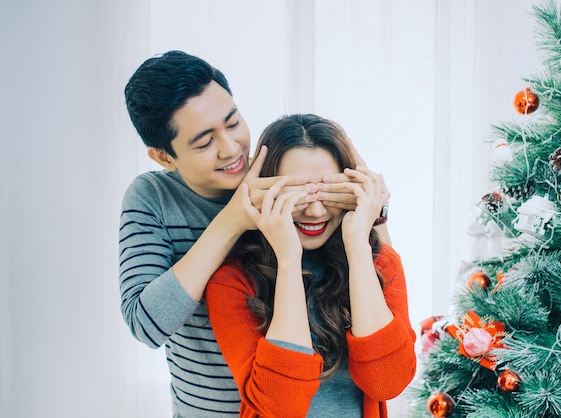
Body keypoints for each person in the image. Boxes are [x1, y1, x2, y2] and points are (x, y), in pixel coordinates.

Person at [120, 51, 391, 417]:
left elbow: (379, 280)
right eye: (204, 143)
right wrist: (234, 219)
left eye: (233, 123)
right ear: (163, 157)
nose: (231, 149)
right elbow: (147, 323)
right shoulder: (152, 197)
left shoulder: (278, 174)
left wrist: (373, 211)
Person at [206, 114, 416, 418]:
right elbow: (280, 408)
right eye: (298, 193)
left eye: (328, 192)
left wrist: (357, 244)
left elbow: (388, 382)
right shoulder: (232, 281)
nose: (316, 211)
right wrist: (288, 260)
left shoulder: (382, 263)